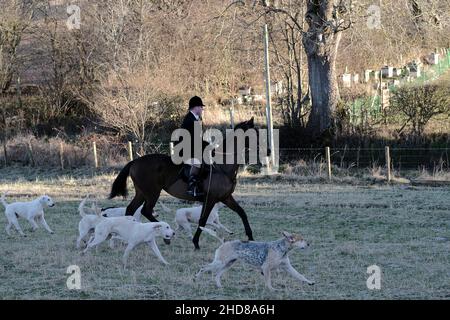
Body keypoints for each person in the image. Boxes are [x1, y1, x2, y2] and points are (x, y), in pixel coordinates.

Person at [180, 96, 209, 197]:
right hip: (185, 149)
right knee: (198, 162)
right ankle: (191, 186)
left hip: (192, 147)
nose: (202, 109)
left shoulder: (195, 119)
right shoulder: (190, 120)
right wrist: (206, 145)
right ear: (195, 107)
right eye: (201, 107)